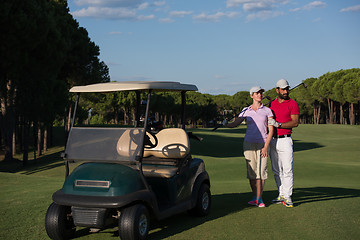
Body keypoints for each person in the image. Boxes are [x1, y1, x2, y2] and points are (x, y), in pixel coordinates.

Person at [223, 86, 274, 207]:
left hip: (263, 143)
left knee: (261, 172)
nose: (260, 95)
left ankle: (259, 198)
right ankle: (255, 196)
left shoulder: (267, 110)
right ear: (252, 96)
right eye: (257, 93)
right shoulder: (245, 110)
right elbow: (235, 124)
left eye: (261, 93)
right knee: (252, 173)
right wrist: (226, 124)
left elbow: (271, 130)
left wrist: (266, 146)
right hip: (249, 144)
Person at [268, 79, 299, 208]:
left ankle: (288, 196)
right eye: (283, 89)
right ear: (277, 90)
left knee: (287, 170)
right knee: (276, 170)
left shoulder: (293, 103)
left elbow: (295, 122)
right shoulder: (271, 104)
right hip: (273, 140)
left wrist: (279, 124)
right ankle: (281, 194)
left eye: (287, 89)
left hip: (286, 139)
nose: (286, 91)